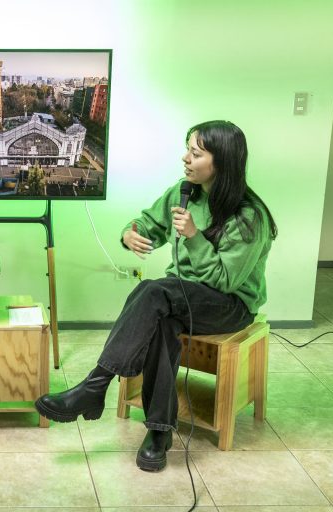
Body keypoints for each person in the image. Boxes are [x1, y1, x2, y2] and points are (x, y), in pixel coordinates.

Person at [35, 120, 277, 471]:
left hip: (229, 305)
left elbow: (224, 280)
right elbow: (147, 224)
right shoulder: (185, 192)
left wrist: (194, 236)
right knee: (162, 321)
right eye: (187, 149)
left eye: (195, 153)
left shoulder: (249, 217)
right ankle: (159, 432)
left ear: (221, 162)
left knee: (153, 292)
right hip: (180, 296)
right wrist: (128, 235)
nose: (185, 158)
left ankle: (94, 386)